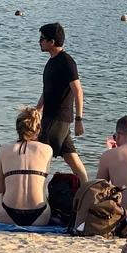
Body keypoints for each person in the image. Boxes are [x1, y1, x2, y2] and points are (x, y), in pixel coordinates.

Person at [36, 22, 89, 185]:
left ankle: (36, 197)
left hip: (57, 119)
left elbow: (78, 91)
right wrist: (37, 111)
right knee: (72, 159)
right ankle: (86, 190)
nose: (39, 41)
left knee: (39, 157)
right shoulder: (52, 61)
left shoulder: (66, 62)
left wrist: (79, 119)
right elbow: (48, 91)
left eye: (42, 39)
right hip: (51, 117)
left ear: (52, 42)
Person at [0, 106, 53, 227]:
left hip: (7, 215)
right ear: (37, 130)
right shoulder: (47, 150)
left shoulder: (4, 150)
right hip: (40, 216)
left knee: (3, 194)